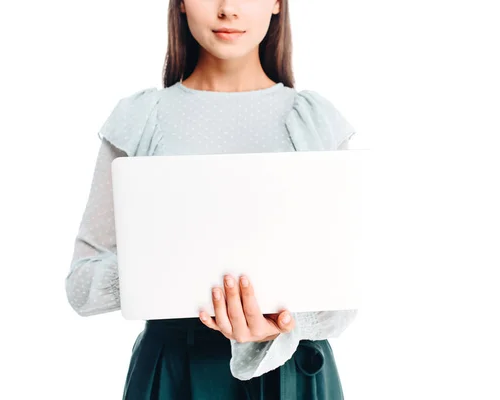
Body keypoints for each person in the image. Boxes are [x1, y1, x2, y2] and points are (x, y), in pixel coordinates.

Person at [66, 0, 358, 398]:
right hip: (174, 372)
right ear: (182, 3)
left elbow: (343, 297)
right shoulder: (142, 117)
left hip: (292, 375)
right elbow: (82, 286)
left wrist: (278, 326)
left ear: (276, 3)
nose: (228, 9)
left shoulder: (314, 121)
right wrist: (168, 266)